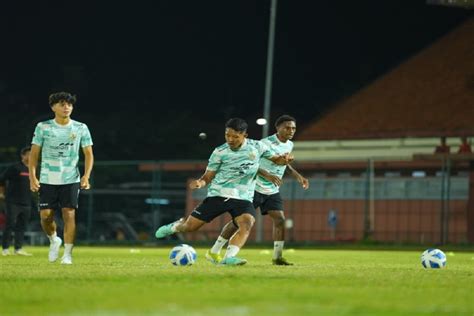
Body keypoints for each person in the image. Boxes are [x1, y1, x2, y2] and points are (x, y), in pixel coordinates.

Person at [155, 118, 293, 265]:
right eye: (227, 135)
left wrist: (284, 159)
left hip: (243, 197)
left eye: (235, 136)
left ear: (244, 135)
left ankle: (229, 257)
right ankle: (175, 226)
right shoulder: (220, 152)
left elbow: (275, 159)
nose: (230, 139)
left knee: (247, 222)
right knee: (190, 227)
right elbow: (208, 176)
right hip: (218, 195)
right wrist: (200, 183)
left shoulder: (257, 146)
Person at [206, 115, 309, 265]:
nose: (291, 130)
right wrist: (268, 175)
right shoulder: (264, 143)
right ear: (278, 128)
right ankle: (215, 251)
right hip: (254, 188)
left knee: (280, 220)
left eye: (293, 128)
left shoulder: (289, 145)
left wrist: (298, 175)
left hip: (272, 190)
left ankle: (277, 257)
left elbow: (284, 163)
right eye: (287, 127)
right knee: (237, 222)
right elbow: (251, 163)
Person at [29, 92, 94, 265]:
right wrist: (32, 177)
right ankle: (54, 240)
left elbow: (88, 154)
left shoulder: (81, 127)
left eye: (69, 105)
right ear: (53, 107)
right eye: (62, 104)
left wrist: (86, 176)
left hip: (70, 178)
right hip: (47, 178)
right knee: (45, 216)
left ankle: (67, 254)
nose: (66, 107)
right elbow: (34, 154)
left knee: (69, 214)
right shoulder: (43, 127)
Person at [1, 146, 34, 256]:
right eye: (29, 154)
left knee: (22, 225)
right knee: (10, 224)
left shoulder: (33, 169)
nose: (31, 156)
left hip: (27, 202)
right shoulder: (15, 168)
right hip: (12, 202)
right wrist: (1, 193)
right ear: (23, 156)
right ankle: (5, 248)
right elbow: (2, 179)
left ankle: (18, 249)